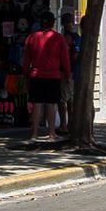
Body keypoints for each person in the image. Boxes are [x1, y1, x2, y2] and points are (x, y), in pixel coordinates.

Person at [21, 12, 70, 142]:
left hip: (36, 75)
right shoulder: (59, 38)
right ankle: (52, 133)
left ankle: (34, 133)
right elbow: (65, 59)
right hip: (53, 76)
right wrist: (67, 74)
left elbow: (26, 60)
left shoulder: (32, 37)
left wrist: (25, 74)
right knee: (51, 104)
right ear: (53, 23)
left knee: (37, 103)